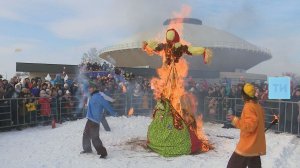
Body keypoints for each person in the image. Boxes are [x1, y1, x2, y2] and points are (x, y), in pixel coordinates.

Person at [226, 83, 266, 168]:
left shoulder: (249, 106)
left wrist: (235, 120)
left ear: (245, 95)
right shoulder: (257, 106)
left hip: (248, 145)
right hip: (255, 145)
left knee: (232, 166)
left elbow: (249, 127)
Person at [81, 82, 116, 159]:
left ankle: (103, 153)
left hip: (95, 120)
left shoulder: (99, 96)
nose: (89, 89)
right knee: (86, 134)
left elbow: (106, 104)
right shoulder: (92, 96)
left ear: (94, 88)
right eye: (89, 88)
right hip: (90, 118)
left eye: (91, 88)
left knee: (95, 137)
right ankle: (87, 149)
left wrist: (114, 113)